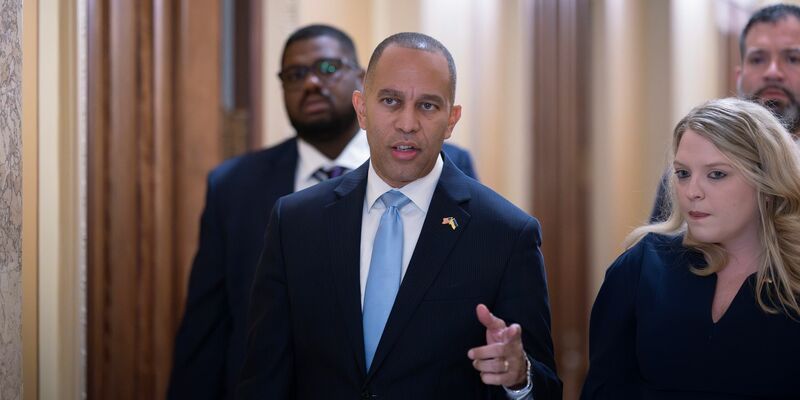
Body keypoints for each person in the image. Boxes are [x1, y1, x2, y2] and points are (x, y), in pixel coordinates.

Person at [236, 32, 561, 399]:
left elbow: (546, 387)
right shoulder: (295, 222)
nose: (407, 123)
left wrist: (520, 378)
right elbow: (264, 377)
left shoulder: (506, 234)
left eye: (427, 106)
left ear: (451, 119)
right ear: (361, 108)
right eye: (391, 101)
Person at [167, 25, 477, 400]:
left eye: (328, 68)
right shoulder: (233, 186)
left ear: (361, 84)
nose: (311, 83)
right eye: (295, 75)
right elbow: (207, 328)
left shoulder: (446, 166)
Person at [582, 98, 800, 399]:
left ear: (766, 181)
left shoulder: (793, 279)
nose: (692, 192)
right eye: (683, 173)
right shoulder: (643, 266)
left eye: (717, 174)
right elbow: (603, 390)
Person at [651, 3, 800, 222]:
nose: (772, 72)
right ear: (739, 77)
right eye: (758, 59)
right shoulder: (691, 172)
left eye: (793, 58)